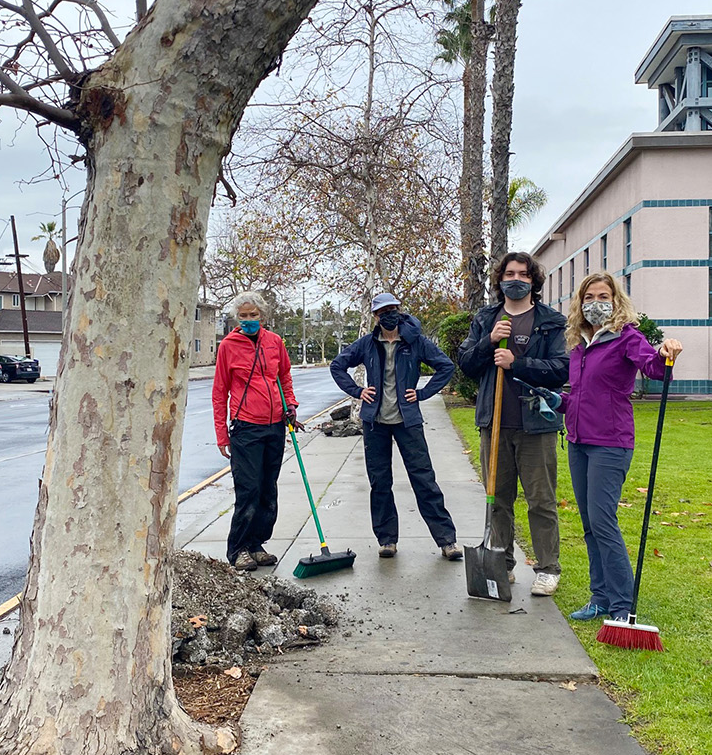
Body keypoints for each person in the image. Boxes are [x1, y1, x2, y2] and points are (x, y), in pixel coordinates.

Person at [555, 273, 683, 623]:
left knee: (602, 521)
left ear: (615, 300)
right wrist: (558, 401)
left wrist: (666, 352)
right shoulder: (580, 344)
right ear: (580, 303)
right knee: (589, 523)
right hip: (578, 443)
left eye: (603, 296)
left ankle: (622, 604)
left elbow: (654, 368)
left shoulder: (626, 337)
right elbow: (582, 396)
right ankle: (600, 597)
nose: (596, 303)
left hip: (610, 443)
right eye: (589, 297)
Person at [458, 252, 570, 596]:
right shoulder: (486, 319)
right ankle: (502, 563)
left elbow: (561, 369)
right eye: (510, 274)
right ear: (500, 280)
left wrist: (516, 363)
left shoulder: (550, 321)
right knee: (498, 499)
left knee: (541, 500)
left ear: (533, 281)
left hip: (536, 424)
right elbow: (466, 364)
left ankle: (548, 568)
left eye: (523, 274)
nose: (516, 279)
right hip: (494, 424)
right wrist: (488, 341)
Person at [330, 292, 462, 560]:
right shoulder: (367, 344)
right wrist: (357, 391)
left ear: (400, 311)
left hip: (408, 421)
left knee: (424, 479)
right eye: (383, 312)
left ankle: (447, 540)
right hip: (375, 423)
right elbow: (337, 366)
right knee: (380, 482)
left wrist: (422, 393)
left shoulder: (415, 341)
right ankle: (387, 539)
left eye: (392, 310)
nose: (388, 315)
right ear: (375, 317)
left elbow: (445, 366)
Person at [211, 292, 301, 572]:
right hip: (246, 427)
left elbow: (284, 376)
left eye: (253, 315)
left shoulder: (274, 342)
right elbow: (219, 392)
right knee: (248, 490)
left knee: (267, 490)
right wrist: (221, 434)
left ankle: (256, 544)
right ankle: (238, 549)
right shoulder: (228, 346)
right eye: (243, 316)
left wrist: (291, 404)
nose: (249, 320)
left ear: (262, 316)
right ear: (236, 318)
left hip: (275, 425)